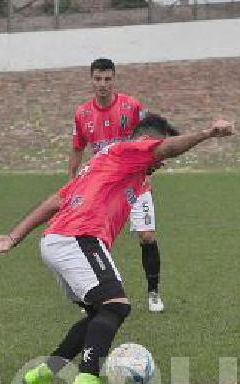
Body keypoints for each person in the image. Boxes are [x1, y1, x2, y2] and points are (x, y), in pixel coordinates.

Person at [0, 114, 234, 384]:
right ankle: (87, 378)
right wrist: (207, 133)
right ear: (145, 142)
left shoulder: (105, 166)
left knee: (96, 316)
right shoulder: (124, 152)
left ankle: (42, 374)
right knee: (116, 306)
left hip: (59, 240)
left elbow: (55, 201)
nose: (161, 164)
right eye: (158, 155)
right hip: (79, 237)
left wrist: (12, 238)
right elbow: (166, 149)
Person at [68, 58, 165, 313]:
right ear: (91, 80)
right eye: (98, 79)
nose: (103, 84)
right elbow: (77, 149)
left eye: (108, 79)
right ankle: (91, 296)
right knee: (92, 240)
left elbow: (151, 132)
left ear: (114, 79)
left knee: (147, 236)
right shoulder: (82, 114)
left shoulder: (131, 107)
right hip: (101, 189)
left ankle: (153, 293)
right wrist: (72, 184)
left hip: (135, 183)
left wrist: (152, 160)